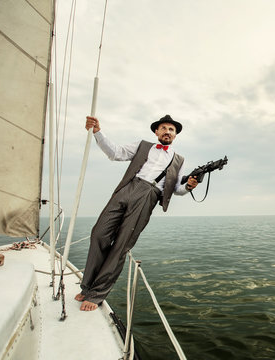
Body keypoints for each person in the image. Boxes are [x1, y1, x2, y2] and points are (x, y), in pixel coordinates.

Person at [75, 114, 198, 311]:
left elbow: (176, 189)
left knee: (122, 244)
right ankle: (87, 285)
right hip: (127, 188)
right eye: (164, 128)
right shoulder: (142, 145)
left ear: (175, 135)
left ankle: (96, 293)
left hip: (150, 194)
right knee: (99, 233)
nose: (168, 131)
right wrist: (98, 131)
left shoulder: (179, 160)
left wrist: (190, 186)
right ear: (156, 131)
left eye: (171, 129)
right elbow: (116, 153)